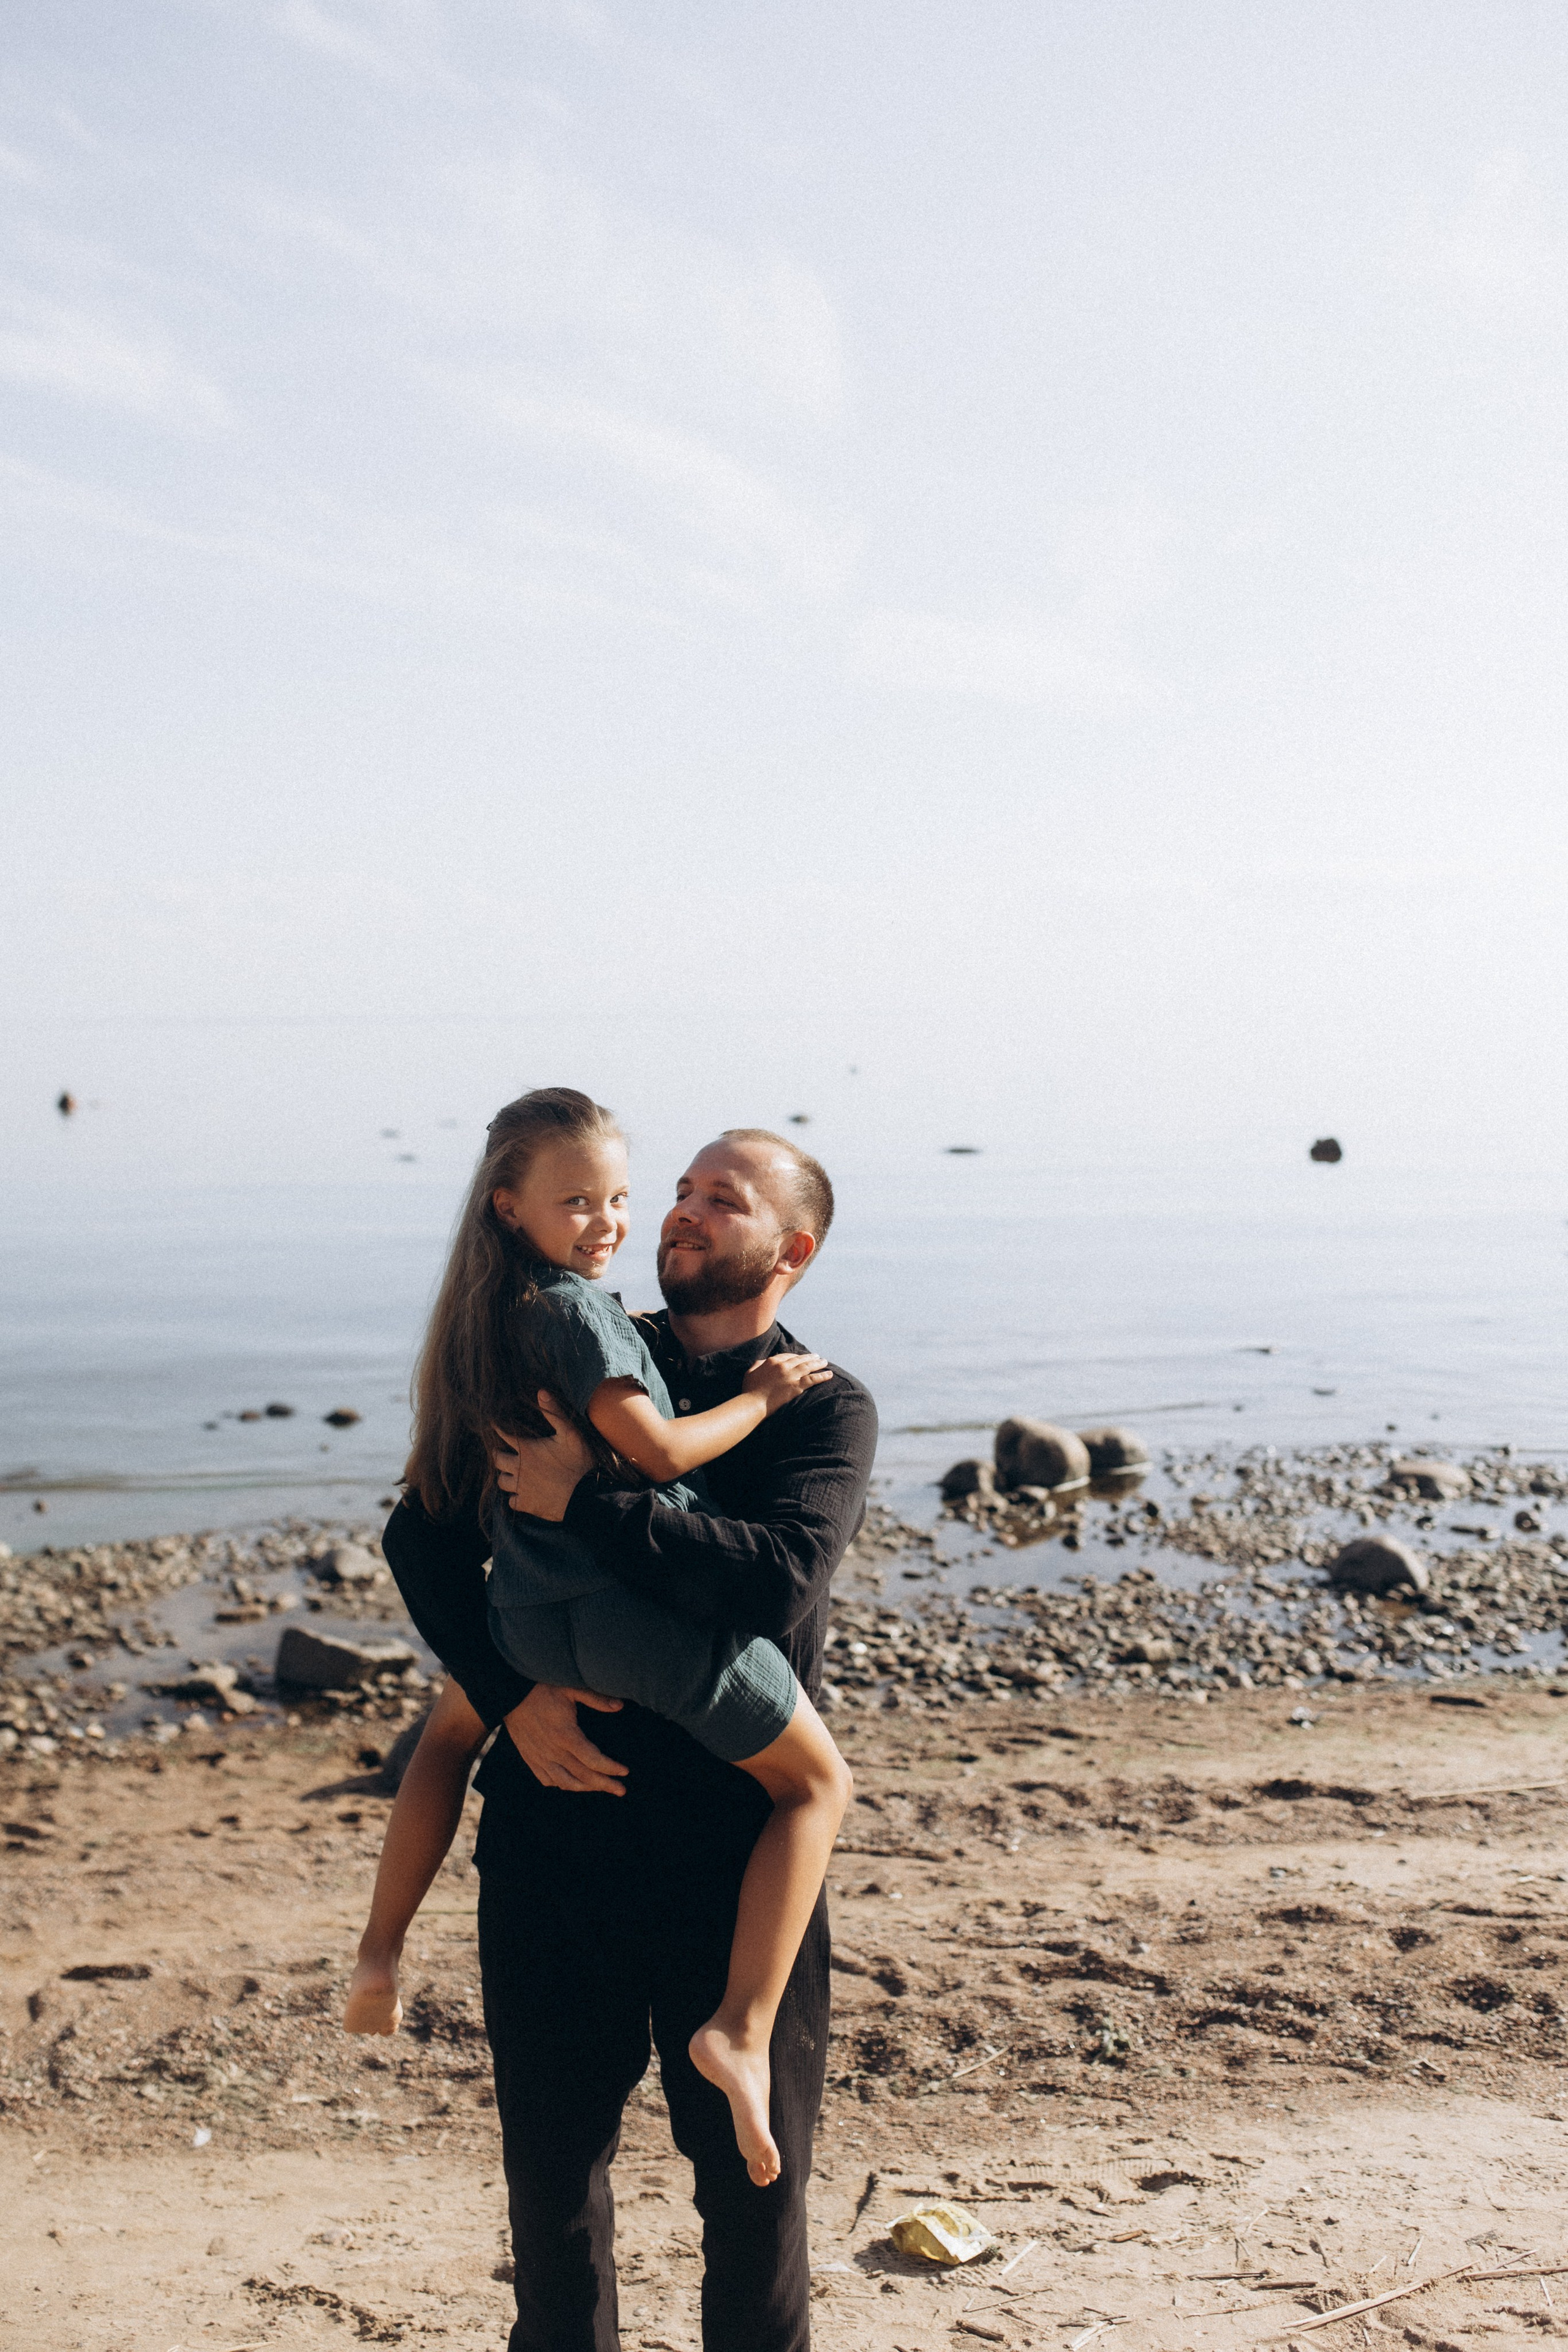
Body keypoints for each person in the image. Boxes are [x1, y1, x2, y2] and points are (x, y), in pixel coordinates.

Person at [380, 1121, 876, 2352]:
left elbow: (767, 1586)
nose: (681, 1213)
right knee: (551, 2205)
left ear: (792, 1248)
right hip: (555, 1840)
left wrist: (592, 1501)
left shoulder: (817, 1408)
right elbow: (422, 1540)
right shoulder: (586, 1350)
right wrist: (507, 1694)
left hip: (731, 1853)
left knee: (755, 2208)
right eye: (682, 1190)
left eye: (725, 1199)